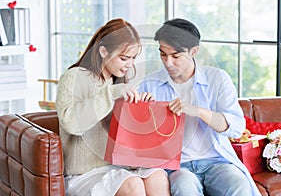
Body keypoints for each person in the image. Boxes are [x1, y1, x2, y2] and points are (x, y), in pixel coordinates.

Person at [139, 18, 261, 196]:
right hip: (177, 166)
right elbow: (139, 138)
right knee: (184, 187)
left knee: (238, 185)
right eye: (163, 54)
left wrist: (197, 111)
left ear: (194, 51)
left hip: (217, 161)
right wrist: (141, 112)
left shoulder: (218, 79)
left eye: (175, 56)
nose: (167, 62)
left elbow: (236, 128)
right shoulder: (150, 84)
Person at [55, 18, 170, 196]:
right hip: (83, 173)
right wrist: (110, 94)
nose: (130, 65)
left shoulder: (120, 81)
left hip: (119, 166)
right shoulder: (73, 78)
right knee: (132, 185)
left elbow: (127, 137)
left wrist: (145, 110)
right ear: (103, 51)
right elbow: (72, 124)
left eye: (133, 58)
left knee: (157, 176)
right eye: (124, 58)